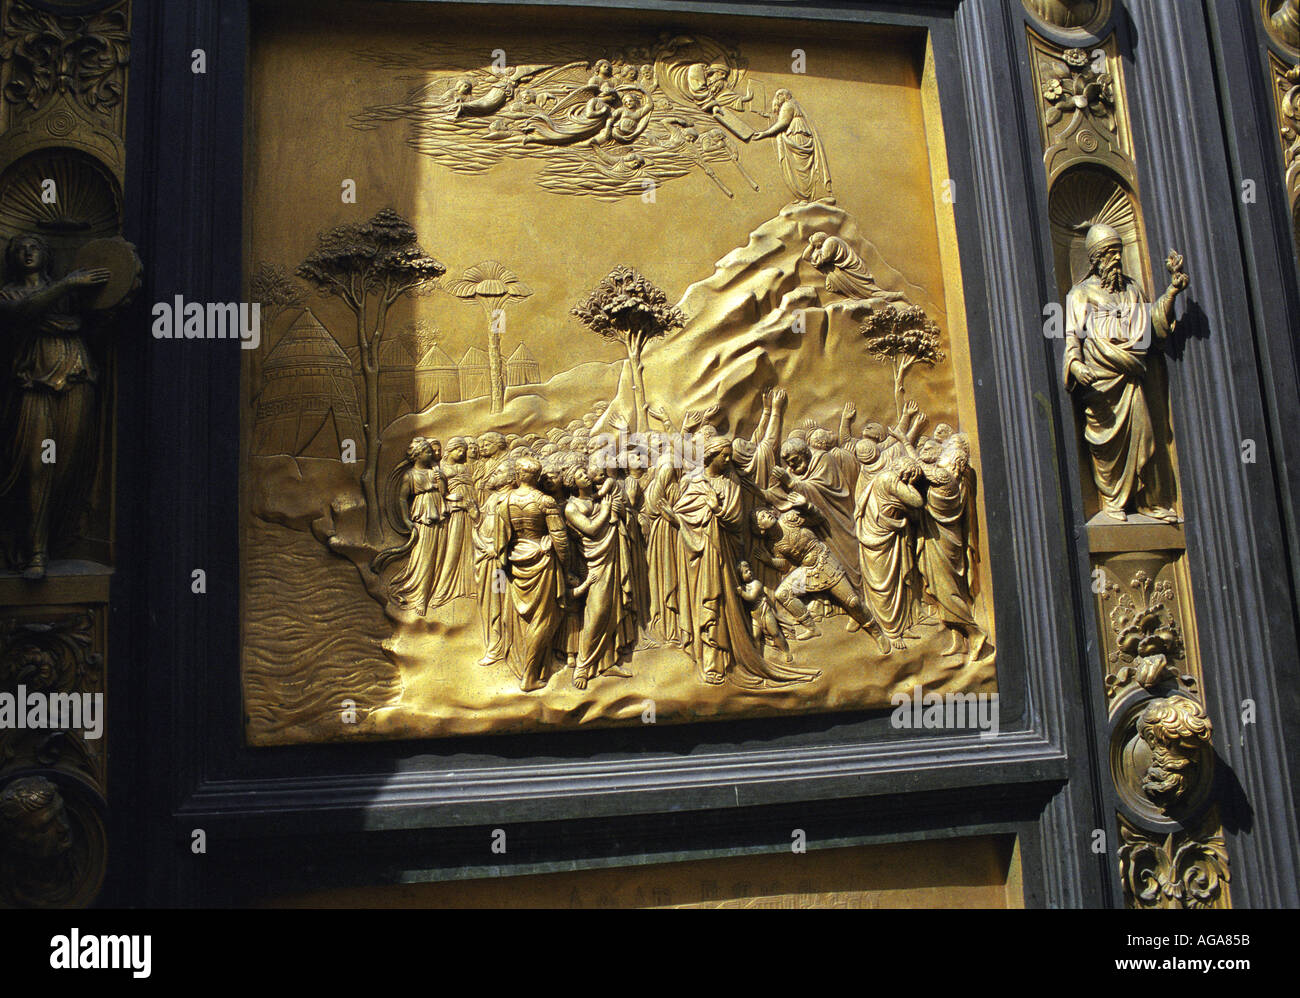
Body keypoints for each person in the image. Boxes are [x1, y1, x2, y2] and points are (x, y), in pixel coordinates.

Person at [663, 435, 819, 688]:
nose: (728, 459)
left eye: (729, 455)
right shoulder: (694, 481)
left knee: (721, 604)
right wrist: (676, 520)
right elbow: (685, 514)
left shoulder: (731, 481)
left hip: (722, 554)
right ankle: (709, 661)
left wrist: (716, 510)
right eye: (723, 455)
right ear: (710, 456)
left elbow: (735, 521)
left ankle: (723, 660)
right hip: (700, 557)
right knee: (704, 603)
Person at [0, 234, 110, 579]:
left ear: (47, 255)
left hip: (76, 378)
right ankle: (34, 551)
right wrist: (67, 283)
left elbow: (100, 319)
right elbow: (24, 311)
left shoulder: (70, 295)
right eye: (20, 248)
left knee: (67, 464)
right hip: (33, 384)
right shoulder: (9, 294)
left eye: (34, 246)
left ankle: (55, 538)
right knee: (35, 464)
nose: (27, 252)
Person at [1063, 224, 1186, 522]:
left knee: (1144, 436)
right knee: (1105, 445)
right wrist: (1076, 365)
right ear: (1095, 259)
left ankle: (1147, 500)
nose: (1116, 259)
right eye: (1108, 253)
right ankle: (1111, 498)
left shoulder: (1132, 289)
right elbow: (1072, 336)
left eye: (1118, 252)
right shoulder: (1081, 294)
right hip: (1101, 382)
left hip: (1132, 378)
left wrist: (1171, 291)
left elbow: (1153, 326)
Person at [494, 456, 572, 692]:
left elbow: (501, 542)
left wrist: (501, 572)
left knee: (526, 619)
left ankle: (528, 668)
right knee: (544, 619)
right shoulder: (545, 502)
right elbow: (560, 539)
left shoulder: (504, 501)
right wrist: (567, 568)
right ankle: (529, 676)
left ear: (518, 476)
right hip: (542, 560)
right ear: (537, 478)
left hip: (518, 562)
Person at [373, 436, 447, 616]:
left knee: (439, 555)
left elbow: (443, 493)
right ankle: (419, 596)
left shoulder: (433, 473)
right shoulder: (410, 475)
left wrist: (441, 480)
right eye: (427, 451)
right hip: (424, 515)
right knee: (425, 557)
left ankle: (432, 593)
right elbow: (402, 498)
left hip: (439, 513)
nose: (431, 454)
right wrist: (406, 521)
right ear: (417, 455)